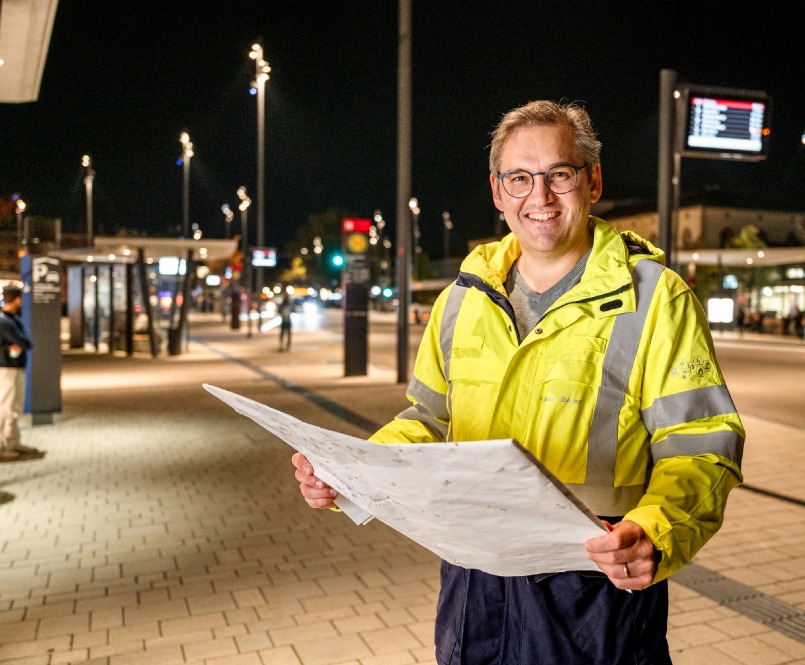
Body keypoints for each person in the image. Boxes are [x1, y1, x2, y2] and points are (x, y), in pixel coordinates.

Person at [292, 100, 744, 664]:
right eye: (520, 178)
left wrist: (657, 529)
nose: (541, 197)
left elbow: (703, 446)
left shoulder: (656, 298)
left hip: (595, 588)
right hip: (474, 582)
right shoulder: (462, 298)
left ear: (593, 180)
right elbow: (428, 421)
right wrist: (352, 471)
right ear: (497, 191)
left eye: (560, 174)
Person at [0, 283, 41, 461]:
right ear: (17, 299)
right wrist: (19, 343)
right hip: (7, 367)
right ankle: (4, 445)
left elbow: (24, 342)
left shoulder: (10, 319)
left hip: (14, 366)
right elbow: (25, 342)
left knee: (14, 407)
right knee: (7, 407)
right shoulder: (5, 321)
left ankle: (13, 441)